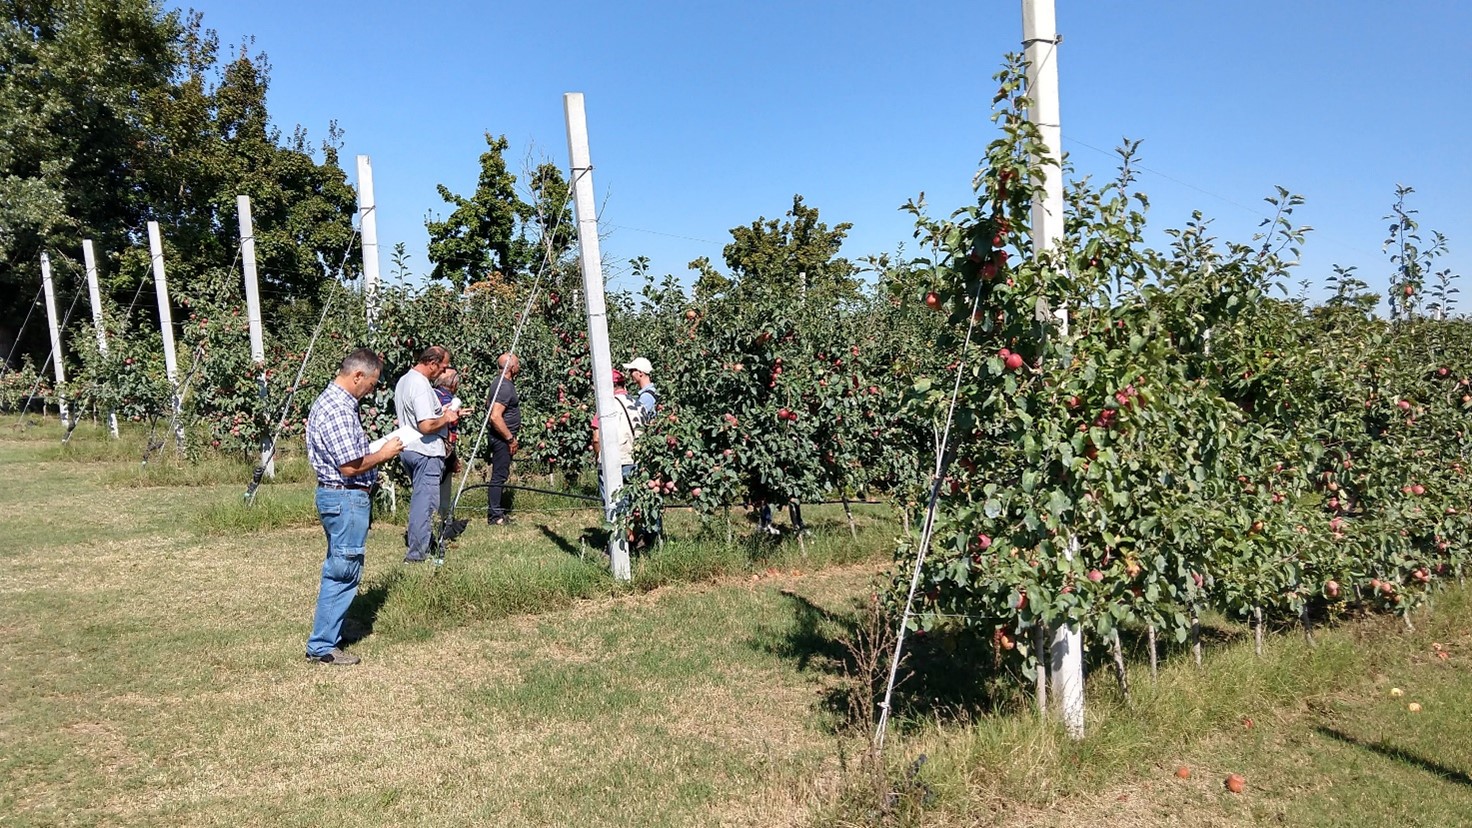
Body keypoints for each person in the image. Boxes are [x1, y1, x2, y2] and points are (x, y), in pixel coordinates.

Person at [304, 348, 404, 666]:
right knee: (343, 570)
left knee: (341, 566)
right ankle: (322, 646)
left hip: (340, 498)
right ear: (357, 375)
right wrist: (384, 453)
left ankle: (331, 632)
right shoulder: (338, 408)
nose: (372, 389)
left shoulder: (335, 402)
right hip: (345, 497)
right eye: (372, 383)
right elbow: (349, 466)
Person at [394, 346, 465, 563]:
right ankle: (416, 555)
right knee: (425, 505)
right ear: (432, 363)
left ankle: (425, 542)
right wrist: (448, 418)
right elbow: (425, 425)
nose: (442, 372)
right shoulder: (421, 384)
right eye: (442, 367)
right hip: (425, 451)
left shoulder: (404, 381)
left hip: (409, 448)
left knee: (420, 500)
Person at [590, 369, 641, 507]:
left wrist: (598, 457)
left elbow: (596, 438)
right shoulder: (637, 404)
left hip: (610, 462)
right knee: (633, 505)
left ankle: (617, 528)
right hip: (634, 459)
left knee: (613, 505)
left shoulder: (606, 407)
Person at [485, 352, 522, 525]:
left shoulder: (497, 383)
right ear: (512, 367)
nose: (519, 367)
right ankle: (495, 516)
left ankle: (496, 512)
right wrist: (509, 438)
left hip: (499, 437)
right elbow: (495, 416)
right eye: (518, 364)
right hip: (501, 439)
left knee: (500, 474)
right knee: (499, 476)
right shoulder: (505, 386)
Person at [433, 367, 468, 542]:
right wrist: (453, 457)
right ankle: (442, 527)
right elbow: (450, 430)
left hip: (421, 449)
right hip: (441, 450)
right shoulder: (451, 400)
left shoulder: (430, 395)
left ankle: (428, 527)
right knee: (442, 491)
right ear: (454, 383)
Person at [622, 356, 658, 423]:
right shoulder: (653, 391)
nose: (630, 374)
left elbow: (638, 419)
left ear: (640, 373)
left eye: (632, 371)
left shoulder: (646, 397)